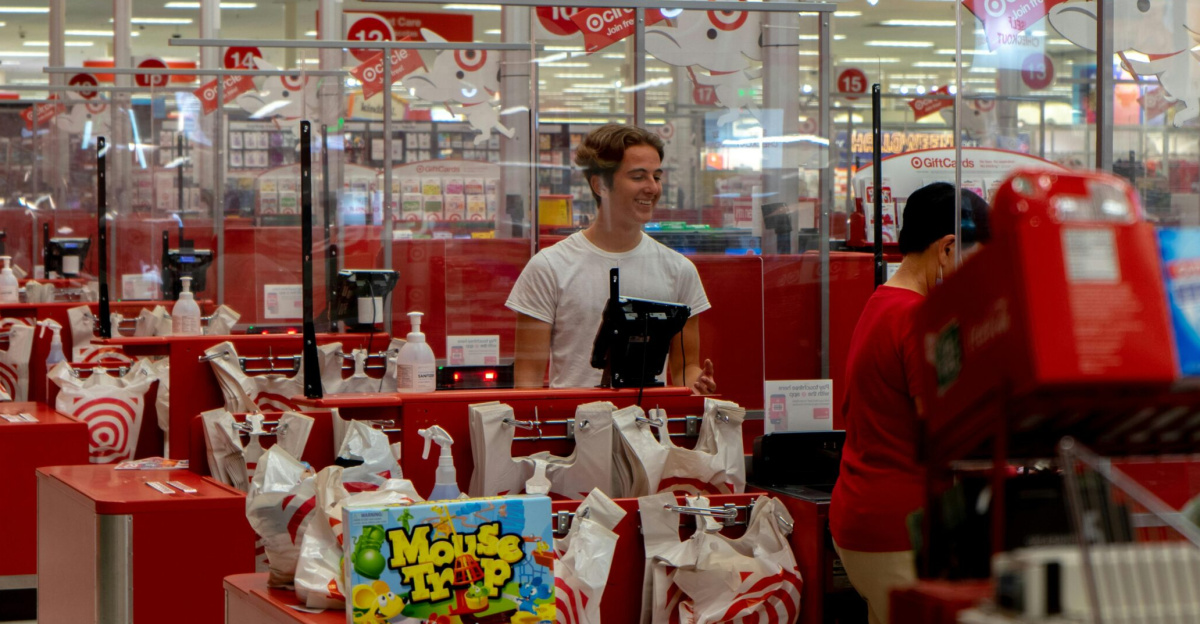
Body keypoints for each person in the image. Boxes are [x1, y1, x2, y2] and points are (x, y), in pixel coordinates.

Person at [829, 182, 989, 624]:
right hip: (902, 529)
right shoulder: (920, 318)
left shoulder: (883, 302)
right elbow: (946, 432)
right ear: (947, 248)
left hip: (866, 516)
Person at [506, 124, 717, 393]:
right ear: (600, 184)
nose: (652, 188)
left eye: (657, 176)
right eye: (639, 177)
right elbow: (528, 381)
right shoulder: (548, 267)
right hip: (573, 429)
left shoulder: (679, 270)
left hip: (651, 430)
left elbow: (684, 367)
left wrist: (697, 384)